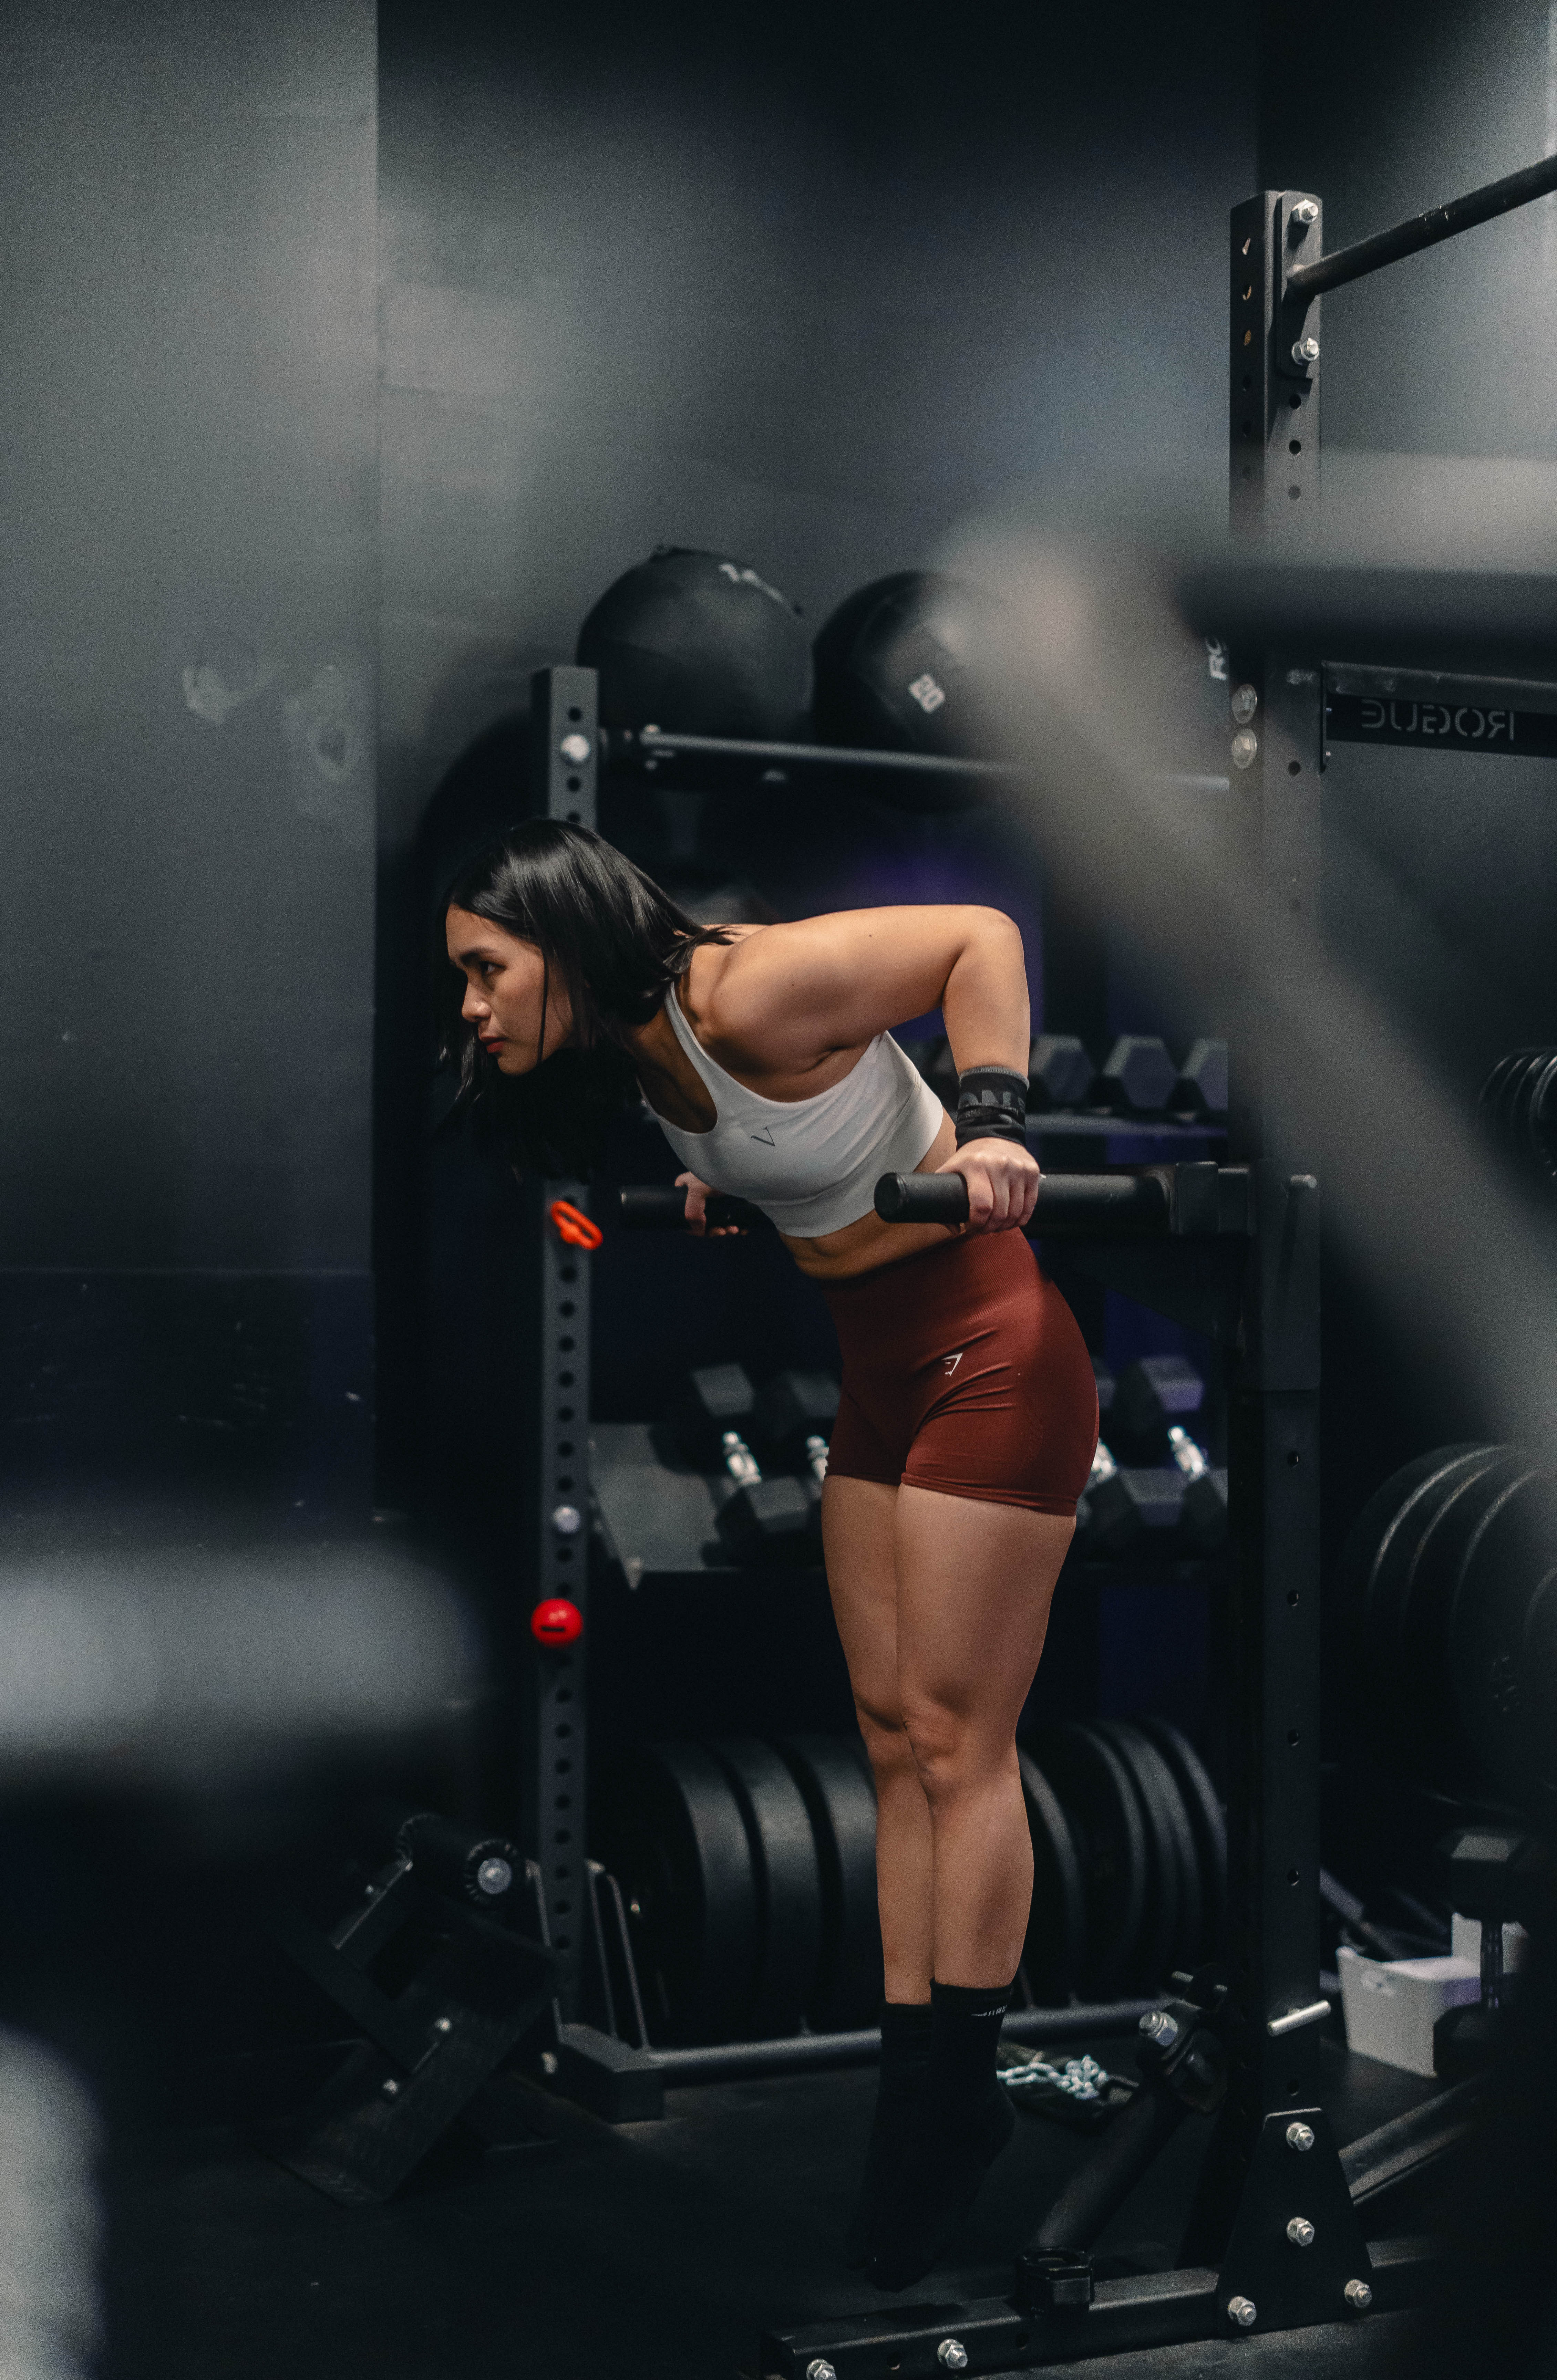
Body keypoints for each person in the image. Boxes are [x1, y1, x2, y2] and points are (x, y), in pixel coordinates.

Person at [436, 820, 1100, 2288]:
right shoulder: (646, 1053)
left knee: (956, 1741)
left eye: (487, 971)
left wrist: (993, 1119)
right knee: (885, 1739)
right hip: (875, 1368)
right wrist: (741, 1180)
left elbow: (977, 938)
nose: (473, 1010)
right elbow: (822, 1147)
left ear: (563, 935)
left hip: (992, 1355)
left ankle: (947, 2103)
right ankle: (925, 2088)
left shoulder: (736, 992)